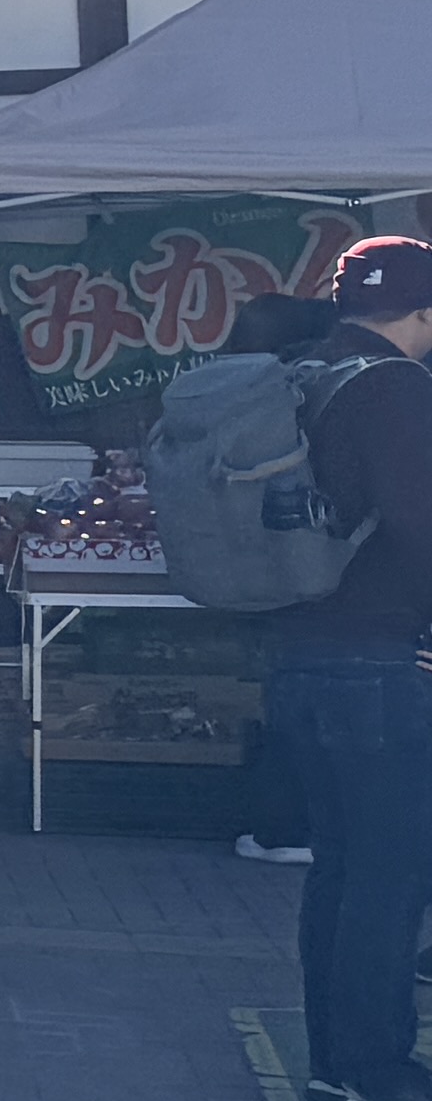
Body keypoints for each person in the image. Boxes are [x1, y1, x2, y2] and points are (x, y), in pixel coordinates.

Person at [255, 238, 432, 1101]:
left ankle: (334, 1064)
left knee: (343, 868)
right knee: (388, 879)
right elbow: (418, 522)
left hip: (302, 653)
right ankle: (377, 1079)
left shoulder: (309, 374)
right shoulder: (396, 388)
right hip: (379, 664)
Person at [213, 293, 342, 866]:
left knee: (288, 702)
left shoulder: (250, 390)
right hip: (325, 569)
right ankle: (295, 826)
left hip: (262, 566)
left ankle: (277, 826)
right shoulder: (324, 386)